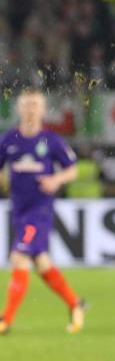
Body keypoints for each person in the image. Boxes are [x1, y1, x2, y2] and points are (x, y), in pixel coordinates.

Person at [0, 88, 85, 334]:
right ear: (18, 108)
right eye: (26, 104)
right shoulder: (8, 139)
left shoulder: (51, 140)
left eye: (35, 104)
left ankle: (5, 320)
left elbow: (73, 170)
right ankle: (75, 303)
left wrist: (55, 180)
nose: (30, 109)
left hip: (40, 211)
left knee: (19, 257)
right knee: (42, 263)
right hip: (19, 210)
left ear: (43, 110)